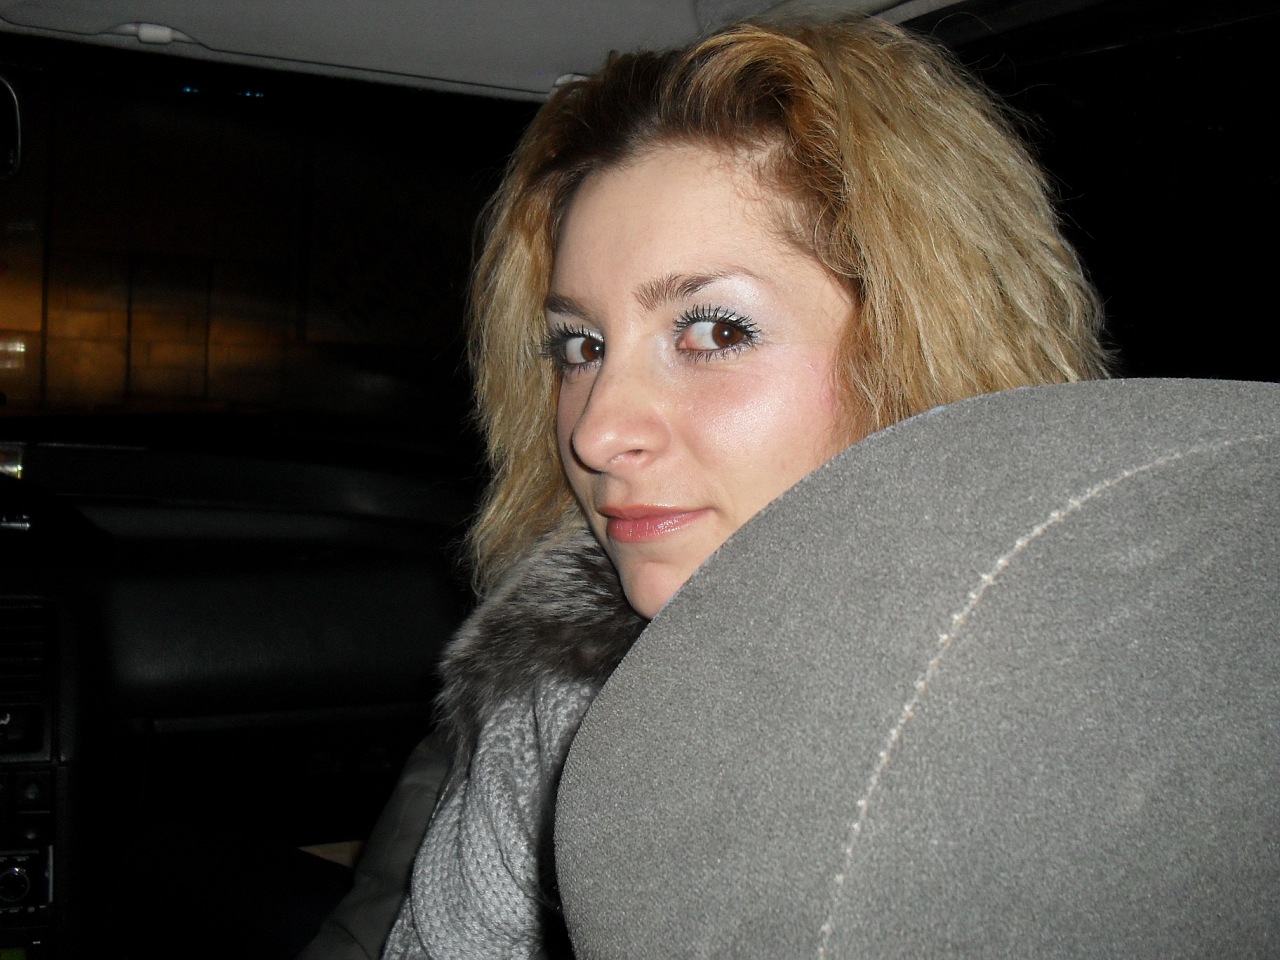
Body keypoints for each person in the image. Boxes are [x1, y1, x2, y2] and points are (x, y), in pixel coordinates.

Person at [379, 13, 1109, 959]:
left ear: (916, 346)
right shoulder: (558, 691)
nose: (595, 432)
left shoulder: (1080, 723)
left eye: (715, 331)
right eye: (581, 346)